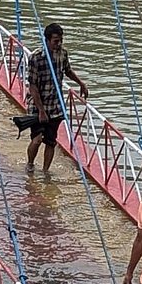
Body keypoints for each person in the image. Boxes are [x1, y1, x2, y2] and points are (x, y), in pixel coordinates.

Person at [25, 23, 88, 172]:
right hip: (38, 105)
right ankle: (30, 163)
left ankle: (45, 170)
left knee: (51, 141)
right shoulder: (36, 58)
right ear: (47, 40)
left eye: (60, 40)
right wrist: (41, 110)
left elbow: (67, 70)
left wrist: (81, 83)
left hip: (55, 105)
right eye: (55, 41)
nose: (58, 44)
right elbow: (32, 86)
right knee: (37, 139)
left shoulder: (63, 54)